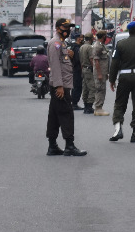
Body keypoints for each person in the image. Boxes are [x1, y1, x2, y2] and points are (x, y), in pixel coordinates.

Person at [46, 19, 87, 157]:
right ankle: (69, 145)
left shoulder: (61, 43)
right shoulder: (56, 43)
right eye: (65, 27)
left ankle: (52, 146)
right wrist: (59, 86)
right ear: (57, 28)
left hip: (61, 85)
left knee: (54, 116)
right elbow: (55, 67)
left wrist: (69, 54)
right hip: (61, 86)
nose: (68, 30)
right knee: (66, 114)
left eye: (69, 27)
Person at [109, 20, 135, 142]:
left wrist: (112, 79)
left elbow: (114, 64)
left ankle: (117, 129)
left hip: (124, 78)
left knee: (120, 103)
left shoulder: (120, 44)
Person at [92, 31, 111, 116]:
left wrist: (105, 73)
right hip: (99, 73)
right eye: (105, 36)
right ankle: (98, 108)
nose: (106, 37)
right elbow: (96, 61)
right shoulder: (97, 46)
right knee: (100, 89)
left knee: (102, 89)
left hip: (103, 72)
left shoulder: (101, 45)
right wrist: (99, 73)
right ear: (103, 36)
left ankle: (99, 107)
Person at [79, 30, 97, 114]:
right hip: (89, 69)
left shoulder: (82, 47)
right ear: (90, 39)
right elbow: (91, 59)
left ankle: (86, 105)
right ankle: (89, 106)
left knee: (85, 88)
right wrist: (95, 69)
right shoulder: (90, 47)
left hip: (83, 69)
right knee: (92, 88)